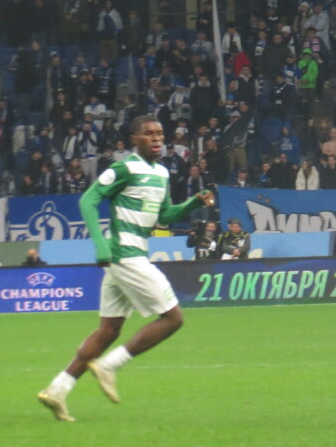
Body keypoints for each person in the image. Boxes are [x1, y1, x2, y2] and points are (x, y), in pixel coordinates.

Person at [37, 116, 215, 422]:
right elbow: (88, 200)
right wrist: (100, 244)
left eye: (160, 133)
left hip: (132, 253)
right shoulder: (123, 169)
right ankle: (109, 366)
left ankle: (57, 389)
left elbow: (165, 217)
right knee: (173, 318)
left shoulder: (161, 172)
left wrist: (192, 204)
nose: (156, 138)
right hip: (125, 254)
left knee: (108, 331)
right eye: (148, 134)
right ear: (134, 139)